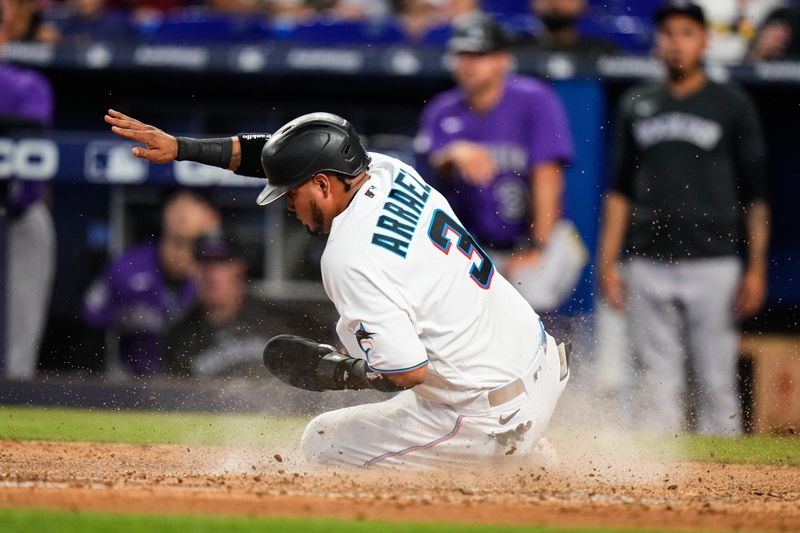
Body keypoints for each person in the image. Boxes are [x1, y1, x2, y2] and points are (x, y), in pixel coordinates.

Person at [105, 108, 570, 468]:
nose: (287, 205)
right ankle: (522, 454)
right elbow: (277, 155)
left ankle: (509, 464)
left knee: (324, 443)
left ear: (323, 185)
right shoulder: (389, 171)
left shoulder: (348, 256)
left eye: (292, 194)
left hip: (490, 420)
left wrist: (340, 372)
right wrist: (182, 147)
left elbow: (406, 373)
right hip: (540, 359)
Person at [597, 1, 770, 436]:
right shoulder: (638, 102)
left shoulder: (731, 104)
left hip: (714, 258)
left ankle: (726, 487)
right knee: (656, 381)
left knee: (715, 380)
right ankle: (663, 490)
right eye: (669, 33)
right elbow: (618, 189)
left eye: (687, 33)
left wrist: (756, 267)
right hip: (648, 256)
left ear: (704, 39)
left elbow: (756, 196)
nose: (676, 43)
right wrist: (608, 259)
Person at [416, 13, 586, 314]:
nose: (469, 63)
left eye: (480, 54)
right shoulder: (442, 110)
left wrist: (536, 247)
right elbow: (430, 172)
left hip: (541, 235)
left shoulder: (534, 99)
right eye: (463, 54)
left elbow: (548, 177)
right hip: (477, 245)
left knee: (531, 294)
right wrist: (453, 153)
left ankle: (551, 359)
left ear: (502, 59)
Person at [82, 189, 221, 376]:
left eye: (195, 203)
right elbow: (91, 324)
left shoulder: (221, 270)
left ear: (211, 217)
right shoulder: (128, 266)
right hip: (132, 382)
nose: (183, 210)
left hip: (200, 382)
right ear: (163, 212)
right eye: (175, 203)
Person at [165, 232, 330, 378]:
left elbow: (328, 349)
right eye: (204, 263)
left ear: (239, 268)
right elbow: (174, 395)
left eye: (221, 263)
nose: (211, 274)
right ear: (193, 271)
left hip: (277, 409)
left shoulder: (280, 319)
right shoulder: (180, 337)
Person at [0, 41, 56, 380]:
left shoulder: (24, 84)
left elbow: (33, 140)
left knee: (18, 337)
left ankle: (13, 407)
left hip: (17, 216)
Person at [513, 0, 618, 57]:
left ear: (584, 7)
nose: (555, 3)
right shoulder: (514, 49)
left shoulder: (603, 51)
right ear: (532, 4)